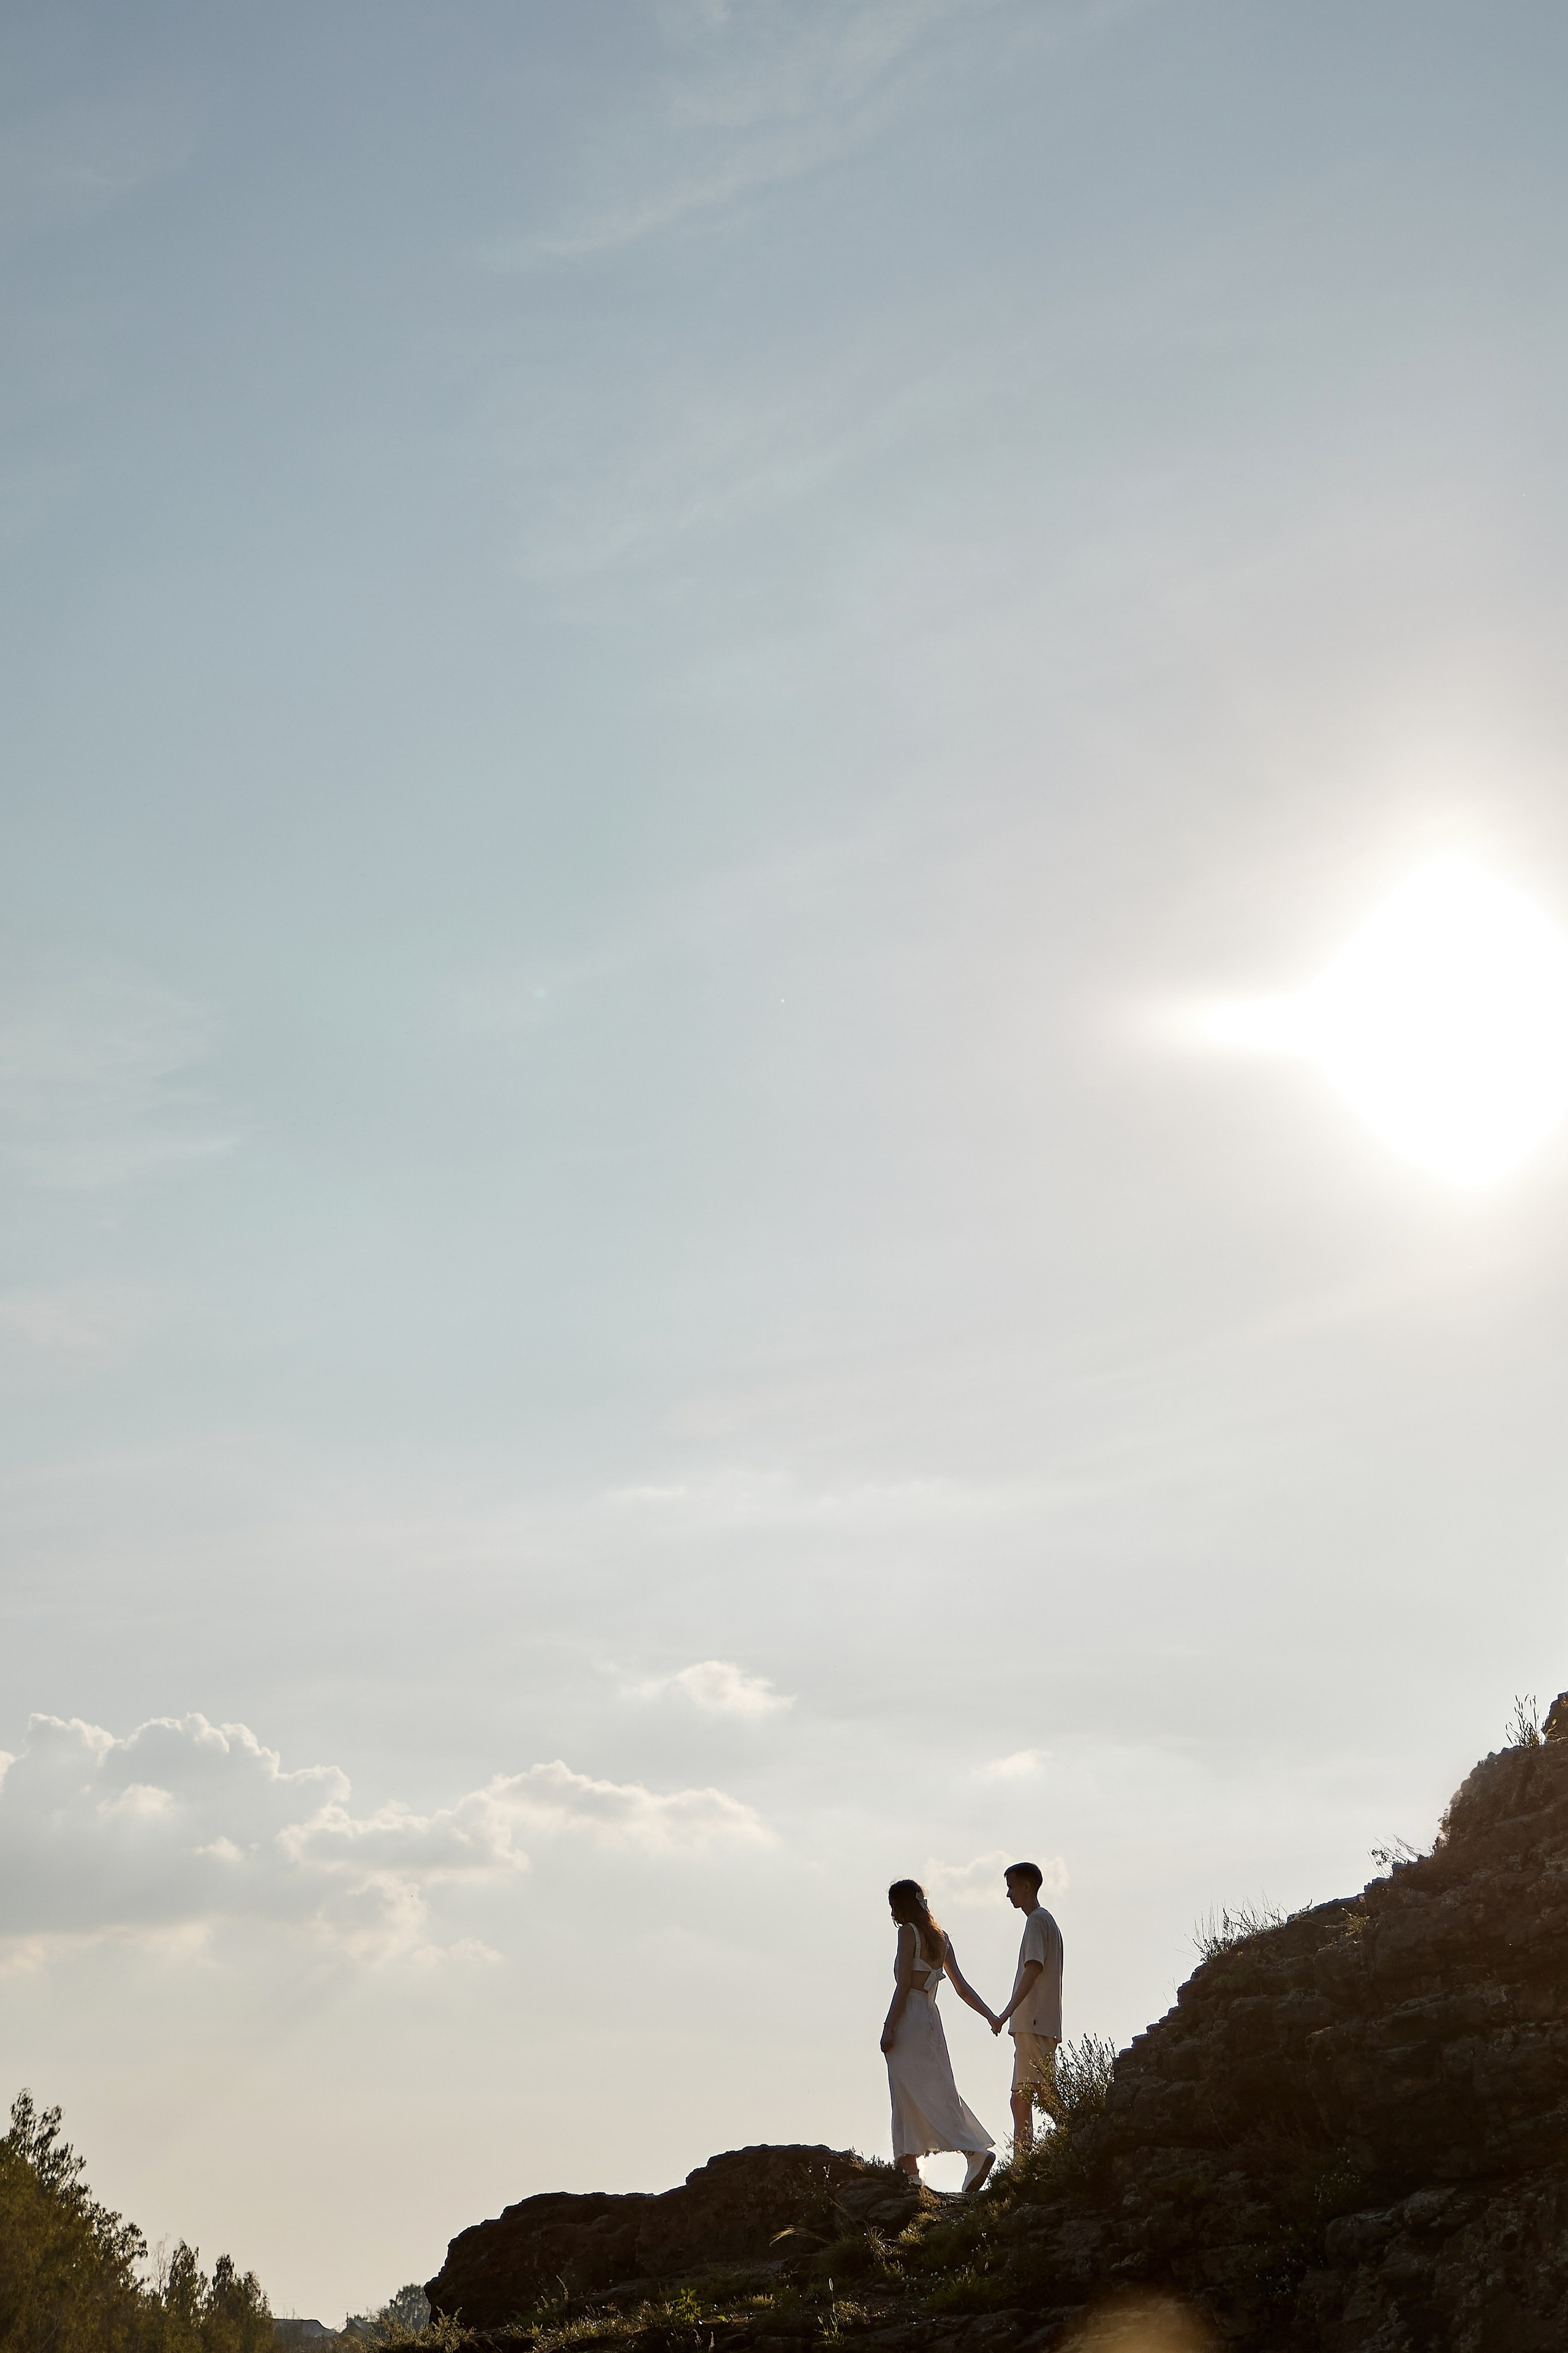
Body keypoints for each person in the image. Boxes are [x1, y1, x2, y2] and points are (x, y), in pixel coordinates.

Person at [881, 1878, 997, 2193]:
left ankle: (936, 2161)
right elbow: (962, 1988)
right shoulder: (940, 1938)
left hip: (910, 2017)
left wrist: (889, 2026)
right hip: (931, 2017)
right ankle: (917, 2165)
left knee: (906, 2090)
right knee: (938, 2086)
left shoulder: (908, 1933)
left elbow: (904, 1984)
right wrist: (991, 2016)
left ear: (900, 1906)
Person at [989, 1860, 1063, 2155]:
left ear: (1027, 1886)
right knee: (1025, 2096)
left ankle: (1026, 2162)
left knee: (1033, 2094)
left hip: (1032, 2022)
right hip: (1038, 2022)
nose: (1009, 1895)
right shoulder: (1047, 1922)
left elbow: (1033, 1969)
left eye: (1012, 1887)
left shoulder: (1037, 1922)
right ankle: (1026, 2160)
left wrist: (1005, 2013)